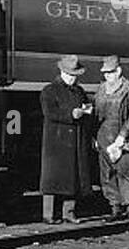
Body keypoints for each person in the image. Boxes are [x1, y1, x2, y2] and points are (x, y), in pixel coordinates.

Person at [39, 55, 93, 224]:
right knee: (52, 179)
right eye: (70, 74)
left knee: (72, 178)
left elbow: (87, 108)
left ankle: (68, 213)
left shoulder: (80, 91)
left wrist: (86, 111)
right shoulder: (49, 91)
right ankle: (48, 215)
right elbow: (49, 113)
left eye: (75, 75)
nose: (73, 78)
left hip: (74, 140)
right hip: (56, 141)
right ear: (62, 72)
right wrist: (71, 114)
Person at [92, 54, 129, 220]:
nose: (107, 76)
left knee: (126, 172)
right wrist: (95, 137)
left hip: (124, 138)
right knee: (107, 175)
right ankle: (114, 206)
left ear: (118, 71)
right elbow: (96, 114)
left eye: (111, 72)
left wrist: (122, 137)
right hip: (104, 137)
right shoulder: (100, 90)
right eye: (105, 73)